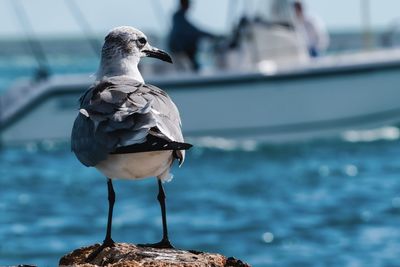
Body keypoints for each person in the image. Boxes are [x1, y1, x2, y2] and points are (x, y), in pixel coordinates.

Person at [168, 0, 215, 71]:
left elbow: (194, 31)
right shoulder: (179, 19)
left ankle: (195, 67)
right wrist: (210, 35)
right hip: (178, 49)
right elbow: (193, 31)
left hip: (179, 48)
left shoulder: (179, 18)